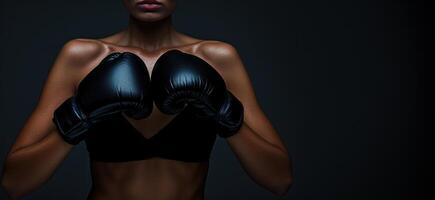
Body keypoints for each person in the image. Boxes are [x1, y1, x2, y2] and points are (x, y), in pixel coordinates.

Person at [1, 0, 293, 199]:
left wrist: (224, 112)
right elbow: (14, 184)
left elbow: (279, 179)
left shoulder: (217, 59)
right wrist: (80, 116)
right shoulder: (82, 58)